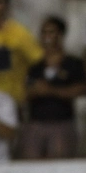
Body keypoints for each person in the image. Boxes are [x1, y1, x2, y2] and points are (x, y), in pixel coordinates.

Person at [20, 16, 86, 159]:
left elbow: (81, 89)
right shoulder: (35, 67)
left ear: (60, 35)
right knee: (30, 165)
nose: (46, 37)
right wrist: (34, 92)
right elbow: (26, 93)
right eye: (44, 32)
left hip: (61, 123)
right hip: (35, 122)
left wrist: (52, 90)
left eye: (51, 32)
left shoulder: (73, 63)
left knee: (58, 166)